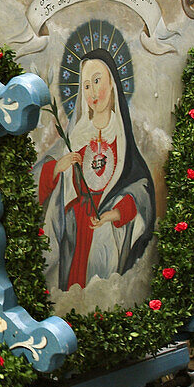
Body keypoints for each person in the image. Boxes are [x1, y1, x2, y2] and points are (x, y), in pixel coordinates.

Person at [35, 48, 155, 292]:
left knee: (100, 291)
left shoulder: (122, 137)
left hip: (107, 234)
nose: (91, 92)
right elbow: (38, 179)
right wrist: (59, 167)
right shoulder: (76, 134)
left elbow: (141, 190)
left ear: (112, 83)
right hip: (75, 230)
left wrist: (114, 214)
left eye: (97, 81)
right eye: (86, 85)